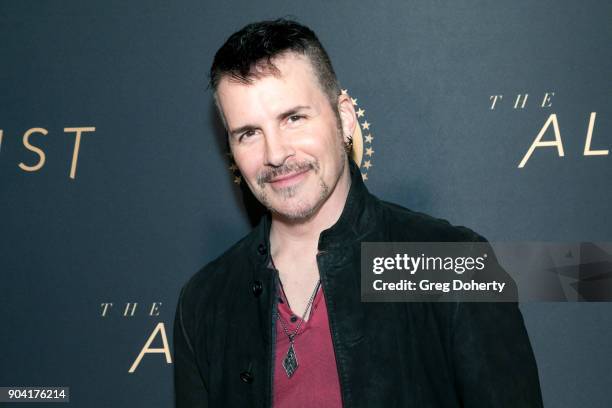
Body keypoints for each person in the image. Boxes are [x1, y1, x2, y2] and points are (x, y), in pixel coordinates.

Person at [174, 18, 543, 408]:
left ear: (344, 119)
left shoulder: (451, 265)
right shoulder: (205, 301)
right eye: (249, 133)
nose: (275, 154)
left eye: (293, 118)